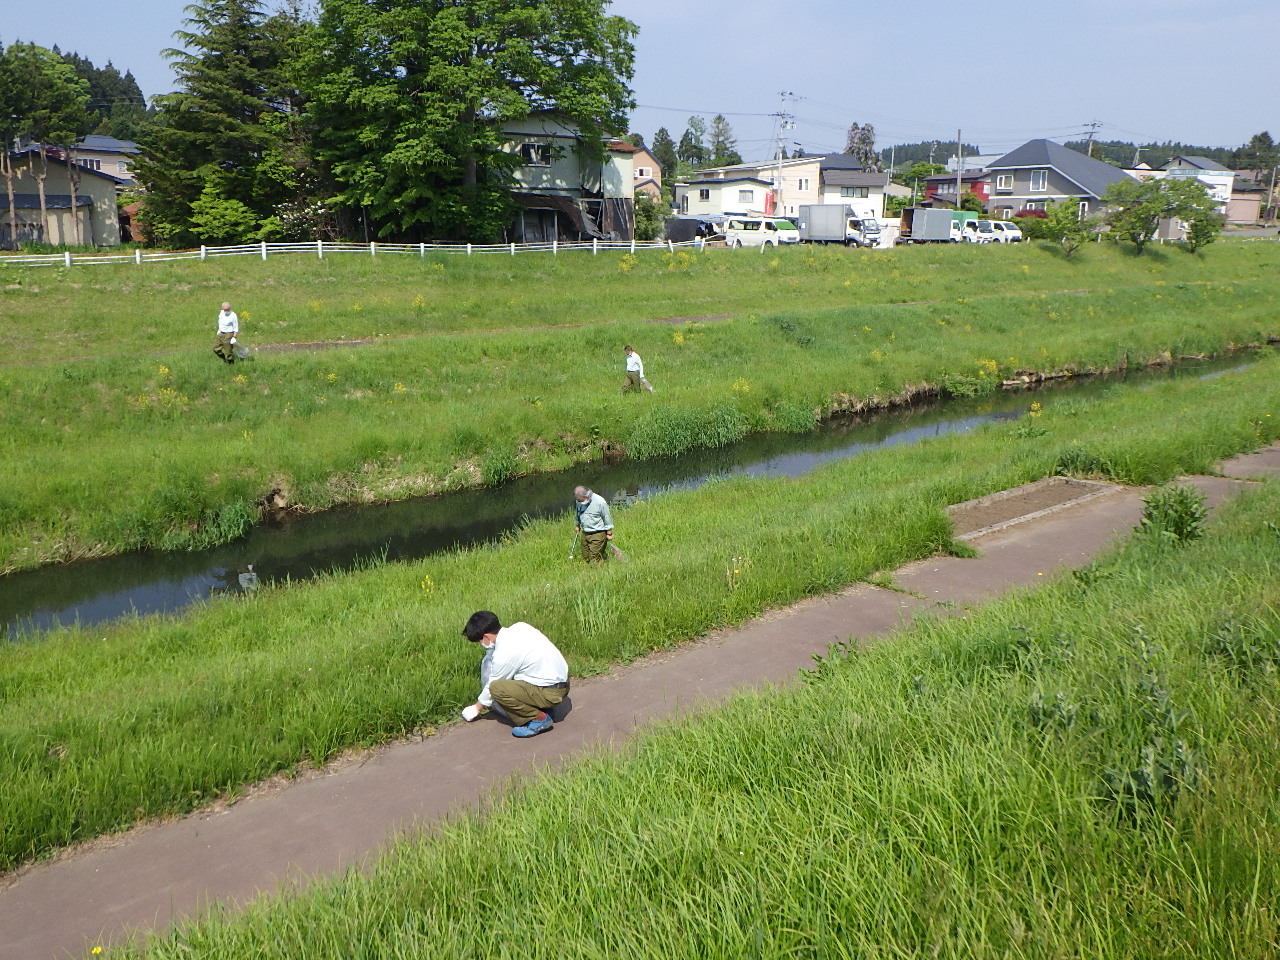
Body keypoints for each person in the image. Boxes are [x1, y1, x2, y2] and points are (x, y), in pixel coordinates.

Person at [460, 611, 569, 738]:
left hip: (551, 693)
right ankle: (543, 708)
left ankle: (539, 719)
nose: (481, 644)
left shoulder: (504, 653)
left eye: (480, 641)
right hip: (562, 682)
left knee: (497, 688)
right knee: (516, 677)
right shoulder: (521, 627)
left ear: (487, 637)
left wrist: (476, 708)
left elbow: (491, 687)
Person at [573, 485, 614, 562]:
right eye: (579, 500)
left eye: (582, 500)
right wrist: (577, 525)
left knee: (594, 557)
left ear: (587, 496)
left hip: (598, 533)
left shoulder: (600, 501)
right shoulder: (579, 501)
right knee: (586, 556)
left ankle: (599, 567)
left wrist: (609, 533)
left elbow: (607, 517)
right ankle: (604, 560)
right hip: (585, 532)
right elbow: (578, 513)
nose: (580, 502)